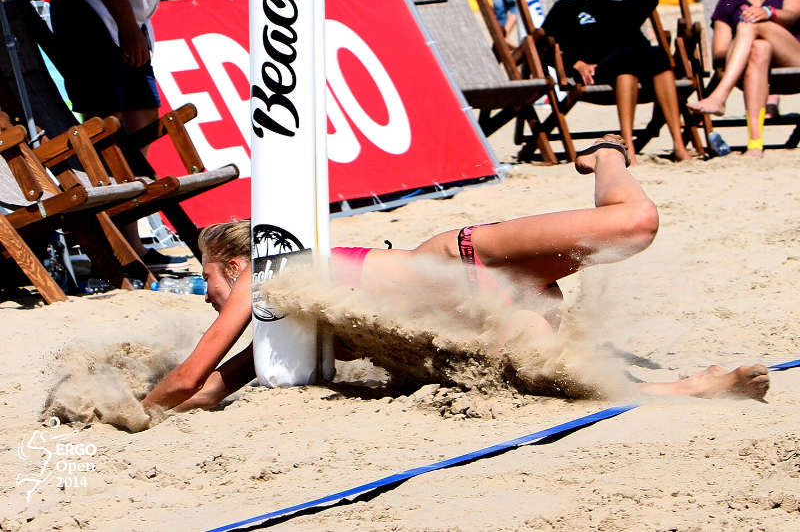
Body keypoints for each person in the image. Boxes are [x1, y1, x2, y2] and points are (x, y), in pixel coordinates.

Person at [141, 137, 769, 417]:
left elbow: (188, 379)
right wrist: (153, 406)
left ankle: (605, 154)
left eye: (207, 283)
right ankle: (691, 387)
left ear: (235, 265)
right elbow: (209, 390)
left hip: (467, 261)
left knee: (636, 223)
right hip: (488, 319)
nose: (210, 299)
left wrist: (134, 411)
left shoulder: (271, 274)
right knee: (578, 382)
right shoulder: (285, 333)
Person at [48, 0, 188, 271]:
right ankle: (112, 244)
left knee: (143, 120)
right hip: (95, 12)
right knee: (105, 125)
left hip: (131, 18)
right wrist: (126, 25)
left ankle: (131, 242)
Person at [542, 0, 693, 164]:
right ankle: (628, 147)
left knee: (659, 56)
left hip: (631, 65)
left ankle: (679, 146)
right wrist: (575, 64)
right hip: (595, 72)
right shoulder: (565, 7)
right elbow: (541, 46)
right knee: (626, 60)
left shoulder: (619, 6)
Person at [687, 0, 800, 158]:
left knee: (749, 23)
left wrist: (768, 12)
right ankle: (755, 143)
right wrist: (743, 44)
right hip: (751, 74)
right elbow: (719, 55)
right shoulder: (728, 3)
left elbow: (792, 16)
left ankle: (719, 97)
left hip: (794, 65)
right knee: (759, 48)